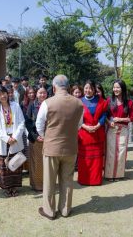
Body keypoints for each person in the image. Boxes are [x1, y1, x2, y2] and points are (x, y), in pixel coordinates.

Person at [36, 75, 83, 220]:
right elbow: (79, 125)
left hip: (52, 147)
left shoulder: (47, 103)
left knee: (49, 180)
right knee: (67, 180)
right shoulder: (79, 103)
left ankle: (49, 211)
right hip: (70, 147)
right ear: (68, 87)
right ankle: (65, 209)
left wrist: (46, 136)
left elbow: (39, 124)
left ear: (54, 87)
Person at [0, 85, 25, 197]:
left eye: (3, 93)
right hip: (3, 141)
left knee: (15, 164)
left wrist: (15, 137)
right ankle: (6, 187)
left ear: (7, 93)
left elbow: (21, 122)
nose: (2, 96)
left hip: (15, 139)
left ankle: (14, 186)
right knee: (4, 166)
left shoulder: (15, 106)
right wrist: (7, 138)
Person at [105, 79, 133, 181]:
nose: (115, 89)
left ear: (122, 89)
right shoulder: (109, 100)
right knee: (110, 152)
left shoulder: (129, 102)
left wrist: (120, 119)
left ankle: (119, 175)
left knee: (121, 152)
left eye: (118, 87)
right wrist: (109, 122)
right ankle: (109, 175)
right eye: (114, 87)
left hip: (123, 130)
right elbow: (104, 115)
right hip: (111, 129)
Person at [77, 80, 107, 186]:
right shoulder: (78, 102)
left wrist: (97, 126)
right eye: (86, 88)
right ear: (83, 89)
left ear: (94, 90)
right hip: (84, 134)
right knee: (84, 159)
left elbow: (104, 115)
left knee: (97, 160)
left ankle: (95, 180)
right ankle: (84, 179)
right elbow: (77, 118)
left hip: (97, 132)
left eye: (90, 88)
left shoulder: (101, 101)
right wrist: (86, 127)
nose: (88, 90)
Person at [25, 86, 47, 191]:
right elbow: (28, 122)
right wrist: (36, 136)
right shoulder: (32, 105)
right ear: (36, 94)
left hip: (47, 138)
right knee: (36, 163)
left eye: (44, 93)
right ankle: (37, 185)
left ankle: (47, 184)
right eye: (40, 93)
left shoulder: (49, 104)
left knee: (46, 163)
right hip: (35, 138)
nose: (42, 95)